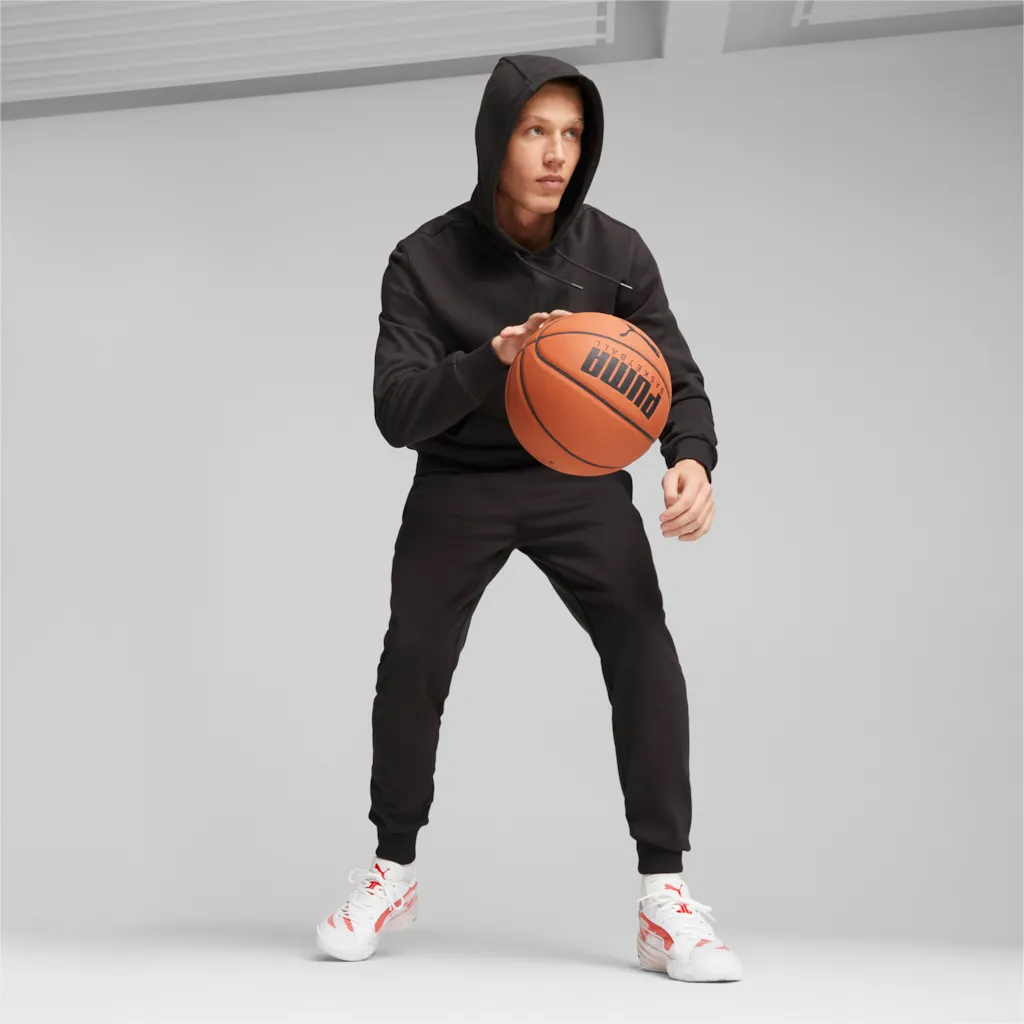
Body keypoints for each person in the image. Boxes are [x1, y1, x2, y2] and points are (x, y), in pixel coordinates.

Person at [316, 53, 742, 984]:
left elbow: (677, 379)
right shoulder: (423, 259)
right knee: (413, 657)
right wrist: (491, 361)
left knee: (643, 646)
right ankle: (392, 870)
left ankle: (665, 898)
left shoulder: (616, 253)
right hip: (460, 481)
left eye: (572, 135)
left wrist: (691, 459)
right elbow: (396, 411)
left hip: (576, 482)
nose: (556, 154)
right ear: (494, 140)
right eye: (535, 131)